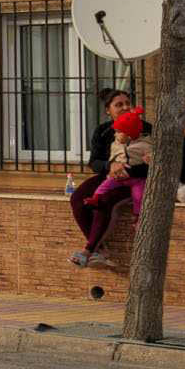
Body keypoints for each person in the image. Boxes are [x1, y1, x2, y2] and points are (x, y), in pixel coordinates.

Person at [70, 88, 147, 253]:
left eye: (128, 103)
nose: (125, 107)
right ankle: (100, 251)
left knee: (104, 201)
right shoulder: (103, 131)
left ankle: (90, 250)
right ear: (108, 110)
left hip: (136, 178)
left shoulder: (145, 128)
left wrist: (129, 171)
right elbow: (94, 162)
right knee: (77, 198)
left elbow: (155, 161)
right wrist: (109, 166)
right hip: (109, 177)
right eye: (119, 105)